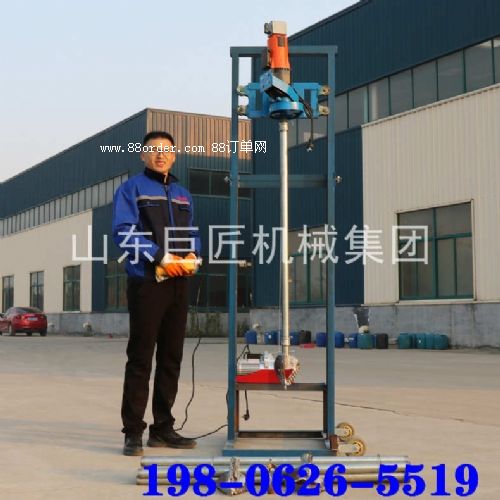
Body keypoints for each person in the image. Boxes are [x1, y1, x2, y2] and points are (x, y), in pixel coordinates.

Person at [112, 131, 201, 456]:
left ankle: (163, 429)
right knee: (140, 358)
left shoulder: (183, 194)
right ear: (143, 155)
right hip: (148, 282)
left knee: (171, 358)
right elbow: (123, 232)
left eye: (166, 150)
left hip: (179, 283)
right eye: (153, 150)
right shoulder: (131, 189)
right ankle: (133, 432)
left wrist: (194, 256)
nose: (160, 154)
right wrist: (159, 256)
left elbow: (192, 231)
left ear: (174, 156)